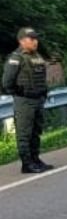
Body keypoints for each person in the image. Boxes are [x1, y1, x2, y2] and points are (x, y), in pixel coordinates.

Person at [1, 27, 54, 173]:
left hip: (38, 99)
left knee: (36, 131)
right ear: (22, 41)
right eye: (31, 39)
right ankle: (27, 163)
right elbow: (7, 82)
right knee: (24, 133)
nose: (35, 41)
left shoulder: (36, 56)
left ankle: (35, 159)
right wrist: (19, 93)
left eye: (35, 38)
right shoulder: (16, 58)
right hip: (24, 100)